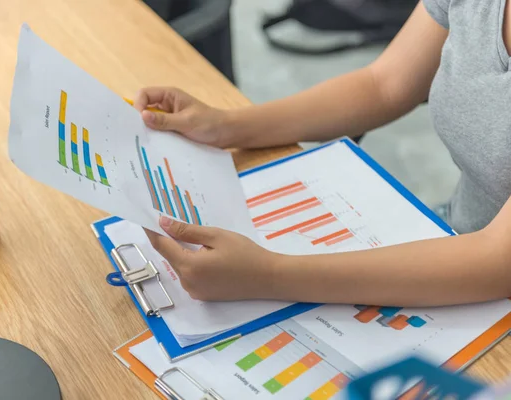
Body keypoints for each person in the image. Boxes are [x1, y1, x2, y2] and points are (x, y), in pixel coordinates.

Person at [134, 0, 511, 307]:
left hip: (486, 274)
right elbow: (384, 85)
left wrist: (267, 275)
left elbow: (496, 261)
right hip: (454, 230)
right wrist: (226, 126)